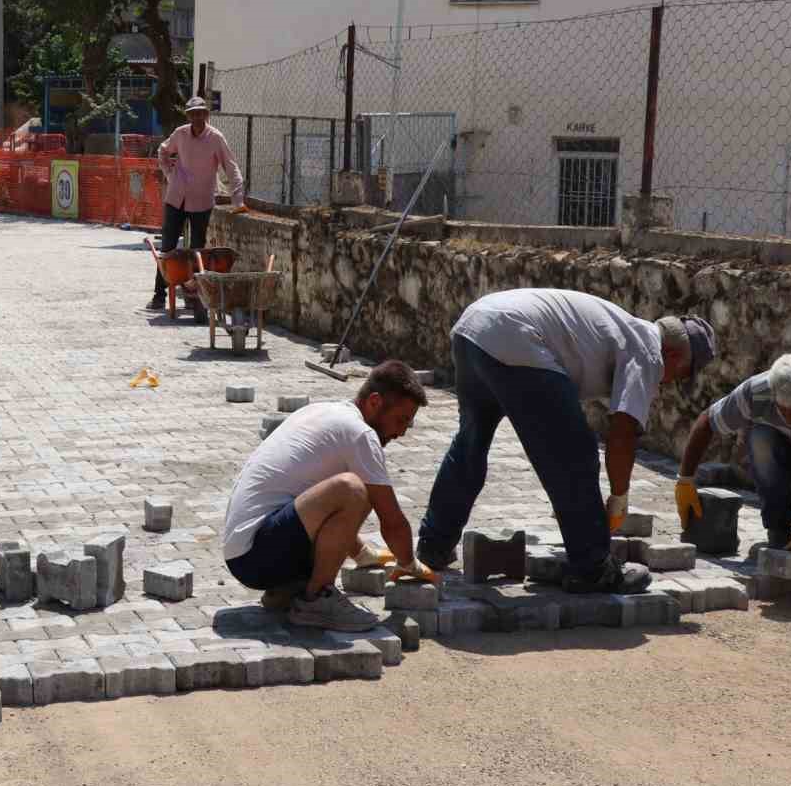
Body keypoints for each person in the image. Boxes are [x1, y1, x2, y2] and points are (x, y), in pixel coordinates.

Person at [415, 289, 716, 594]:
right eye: (681, 375)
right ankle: (593, 567)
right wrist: (619, 498)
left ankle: (434, 545)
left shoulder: (624, 326)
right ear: (674, 355)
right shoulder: (648, 351)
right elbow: (622, 432)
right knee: (577, 455)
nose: (672, 383)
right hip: (518, 338)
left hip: (474, 329)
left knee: (470, 444)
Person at [222, 361, 435, 631]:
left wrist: (362, 553)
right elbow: (392, 521)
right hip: (257, 554)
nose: (402, 431)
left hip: (244, 552)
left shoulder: (324, 412)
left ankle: (287, 590)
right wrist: (409, 564)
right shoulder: (360, 434)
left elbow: (316, 501)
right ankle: (317, 600)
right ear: (374, 402)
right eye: (401, 419)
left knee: (354, 486)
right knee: (352, 489)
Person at [676, 351, 791, 575]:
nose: (789, 419)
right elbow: (708, 422)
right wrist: (685, 480)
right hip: (786, 455)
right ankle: (778, 526)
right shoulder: (757, 391)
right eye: (782, 410)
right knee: (760, 437)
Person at [148, 96, 246, 312]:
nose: (197, 117)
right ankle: (159, 294)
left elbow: (231, 167)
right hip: (176, 197)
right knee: (168, 247)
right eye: (193, 113)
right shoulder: (180, 134)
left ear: (207, 115)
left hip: (201, 200)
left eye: (201, 113)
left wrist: (237, 198)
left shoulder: (216, 138)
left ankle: (194, 295)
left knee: (197, 250)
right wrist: (169, 173)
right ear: (189, 116)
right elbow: (163, 151)